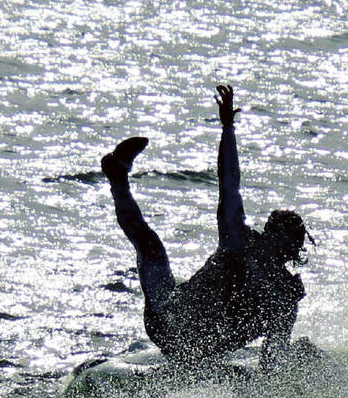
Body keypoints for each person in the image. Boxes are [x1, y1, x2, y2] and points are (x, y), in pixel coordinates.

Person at [101, 85, 312, 372]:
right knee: (151, 247)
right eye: (271, 230)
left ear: (290, 247)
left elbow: (271, 361)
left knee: (152, 249)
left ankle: (117, 178)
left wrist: (297, 362)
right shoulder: (240, 242)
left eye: (279, 235)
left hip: (194, 347)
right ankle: (117, 177)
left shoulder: (285, 296)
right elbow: (229, 184)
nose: (269, 238)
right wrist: (227, 129)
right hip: (168, 320)